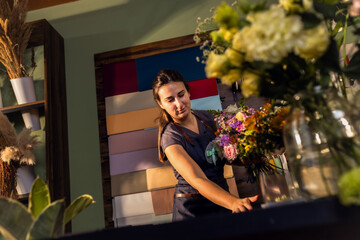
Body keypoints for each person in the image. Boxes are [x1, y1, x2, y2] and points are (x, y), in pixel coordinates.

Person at [152, 69, 259, 221]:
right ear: (160, 104)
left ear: (188, 93)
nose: (179, 103)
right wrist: (234, 202)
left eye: (181, 95)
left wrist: (250, 157)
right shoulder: (170, 138)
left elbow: (226, 156)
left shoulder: (207, 118)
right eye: (170, 100)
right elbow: (197, 179)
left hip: (221, 200)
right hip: (192, 211)